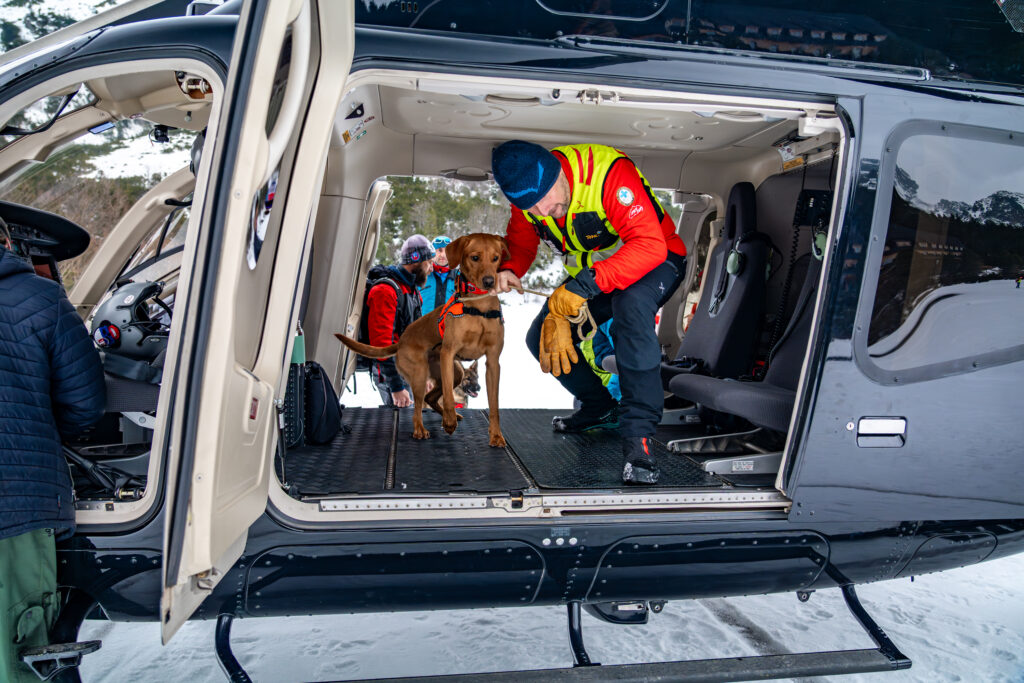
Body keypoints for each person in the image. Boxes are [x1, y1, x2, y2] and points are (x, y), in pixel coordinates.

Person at [491, 140, 687, 485]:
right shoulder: (528, 201)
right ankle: (600, 408)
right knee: (541, 338)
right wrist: (511, 268)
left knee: (630, 308)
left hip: (656, 259)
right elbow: (522, 241)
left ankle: (639, 440)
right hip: (601, 274)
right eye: (530, 207)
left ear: (558, 173)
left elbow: (648, 245)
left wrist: (583, 286)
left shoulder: (608, 174)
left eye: (545, 199)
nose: (542, 211)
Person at [0, 217, 105, 681]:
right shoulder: (40, 297)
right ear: (7, 243)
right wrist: (41, 433)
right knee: (19, 651)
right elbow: (85, 403)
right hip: (16, 508)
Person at [364, 234, 433, 406]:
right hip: (391, 372)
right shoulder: (385, 291)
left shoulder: (412, 291)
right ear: (416, 261)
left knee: (410, 418)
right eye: (429, 263)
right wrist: (396, 387)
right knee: (398, 420)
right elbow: (381, 345)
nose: (431, 269)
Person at [418, 235, 458, 314]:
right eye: (439, 250)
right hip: (425, 321)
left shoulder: (460, 278)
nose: (443, 255)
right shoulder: (421, 275)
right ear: (432, 253)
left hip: (449, 321)